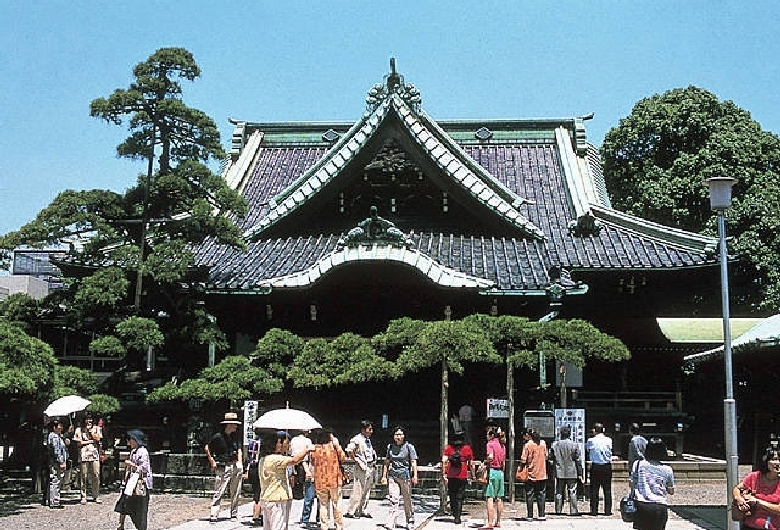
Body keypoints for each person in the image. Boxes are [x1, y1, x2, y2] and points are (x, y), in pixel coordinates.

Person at [260, 430, 314, 530]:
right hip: (277, 498)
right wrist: (307, 450)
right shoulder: (275, 458)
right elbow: (294, 460)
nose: (280, 445)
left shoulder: (263, 459)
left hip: (266, 497)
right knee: (278, 527)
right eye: (278, 443)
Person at [204, 411, 244, 522]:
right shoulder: (218, 436)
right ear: (229, 425)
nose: (236, 426)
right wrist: (212, 460)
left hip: (235, 464)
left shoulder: (236, 436)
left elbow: (239, 449)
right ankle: (214, 514)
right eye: (234, 424)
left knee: (236, 491)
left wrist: (240, 463)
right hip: (223, 466)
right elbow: (207, 447)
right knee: (219, 491)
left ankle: (234, 514)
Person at [631, 437, 674, 530]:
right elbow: (671, 491)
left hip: (642, 505)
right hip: (660, 506)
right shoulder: (668, 470)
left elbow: (632, 484)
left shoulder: (638, 464)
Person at [380, 426, 419, 529]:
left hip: (405, 476)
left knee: (407, 500)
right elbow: (387, 462)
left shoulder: (409, 447)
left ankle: (410, 520)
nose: (398, 437)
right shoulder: (390, 447)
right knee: (393, 499)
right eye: (396, 434)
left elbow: (413, 462)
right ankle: (391, 521)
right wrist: (384, 476)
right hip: (393, 476)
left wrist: (415, 475)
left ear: (404, 436)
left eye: (400, 434)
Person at [733, 445, 780, 530]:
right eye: (774, 459)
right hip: (750, 526)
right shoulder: (754, 477)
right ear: (765, 461)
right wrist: (739, 499)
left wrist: (757, 502)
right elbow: (737, 489)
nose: (778, 463)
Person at [310, 427, 347, 530]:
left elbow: (312, 463)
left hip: (320, 480)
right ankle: (339, 526)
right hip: (334, 479)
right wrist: (337, 445)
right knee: (337, 503)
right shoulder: (333, 447)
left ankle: (324, 526)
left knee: (323, 504)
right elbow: (343, 458)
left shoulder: (315, 448)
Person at [115, 429, 152, 530]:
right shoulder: (133, 451)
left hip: (140, 483)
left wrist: (132, 465)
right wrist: (125, 480)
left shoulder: (143, 452)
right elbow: (129, 469)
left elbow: (144, 468)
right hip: (131, 482)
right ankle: (121, 525)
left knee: (140, 509)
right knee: (124, 502)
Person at [344, 420, 378, 519]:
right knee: (358, 489)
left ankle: (362, 509)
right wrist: (356, 460)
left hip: (370, 465)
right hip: (361, 466)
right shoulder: (357, 439)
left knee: (367, 489)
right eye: (369, 429)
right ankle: (351, 511)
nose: (371, 431)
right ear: (363, 429)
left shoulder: (367, 440)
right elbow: (349, 450)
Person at [442, 432, 474, 524]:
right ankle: (458, 517)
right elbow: (471, 464)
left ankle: (454, 512)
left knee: (452, 495)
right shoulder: (467, 449)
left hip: (451, 475)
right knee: (460, 496)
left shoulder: (448, 448)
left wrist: (444, 473)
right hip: (462, 475)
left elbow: (444, 461)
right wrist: (473, 475)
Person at [551, 425, 582, 516]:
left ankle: (558, 510)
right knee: (572, 491)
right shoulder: (574, 445)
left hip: (559, 470)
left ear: (560, 434)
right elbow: (578, 460)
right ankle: (573, 510)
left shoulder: (555, 445)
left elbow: (550, 457)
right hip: (572, 471)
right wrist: (580, 472)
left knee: (559, 491)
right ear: (569, 434)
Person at [519, 427, 548, 521]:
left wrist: (520, 468)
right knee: (541, 494)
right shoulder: (543, 443)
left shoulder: (527, 445)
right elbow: (546, 456)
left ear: (527, 435)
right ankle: (541, 514)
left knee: (529, 494)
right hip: (542, 472)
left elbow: (523, 459)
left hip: (530, 473)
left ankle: (530, 515)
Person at [481, 426, 506, 530]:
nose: (486, 436)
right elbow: (503, 462)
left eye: (487, 434)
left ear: (491, 435)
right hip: (500, 472)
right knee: (499, 498)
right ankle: (498, 521)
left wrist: (485, 462)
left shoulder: (490, 444)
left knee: (490, 497)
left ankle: (490, 523)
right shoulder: (502, 445)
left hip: (492, 471)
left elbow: (490, 457)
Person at [75, 413, 103, 504]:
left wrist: (91, 432)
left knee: (96, 474)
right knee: (84, 475)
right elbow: (79, 442)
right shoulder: (79, 429)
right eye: (87, 419)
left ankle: (96, 495)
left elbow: (98, 438)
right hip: (84, 454)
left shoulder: (97, 428)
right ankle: (83, 496)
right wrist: (91, 441)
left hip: (94, 454)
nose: (88, 421)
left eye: (90, 419)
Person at [290, 430, 316, 527]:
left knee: (308, 495)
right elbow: (306, 458)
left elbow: (291, 453)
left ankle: (305, 519)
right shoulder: (308, 441)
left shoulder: (293, 440)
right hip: (308, 468)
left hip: (296, 465)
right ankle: (311, 518)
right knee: (311, 495)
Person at [586, 422, 613, 516]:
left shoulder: (590, 441)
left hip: (596, 466)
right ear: (603, 430)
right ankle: (608, 510)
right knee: (607, 489)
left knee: (594, 489)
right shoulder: (609, 440)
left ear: (594, 430)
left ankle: (594, 510)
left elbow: (588, 449)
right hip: (606, 466)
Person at [245, 427, 264, 527]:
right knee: (261, 492)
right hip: (260, 468)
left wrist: (247, 470)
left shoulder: (252, 442)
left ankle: (257, 514)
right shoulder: (264, 443)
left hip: (252, 468)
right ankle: (257, 516)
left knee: (256, 490)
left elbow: (248, 458)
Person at [47, 420, 67, 509]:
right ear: (54, 427)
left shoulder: (57, 436)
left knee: (55, 480)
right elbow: (56, 450)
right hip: (56, 463)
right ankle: (54, 501)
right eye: (59, 426)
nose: (61, 428)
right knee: (56, 480)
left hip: (54, 462)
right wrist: (61, 461)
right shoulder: (54, 436)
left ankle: (52, 500)